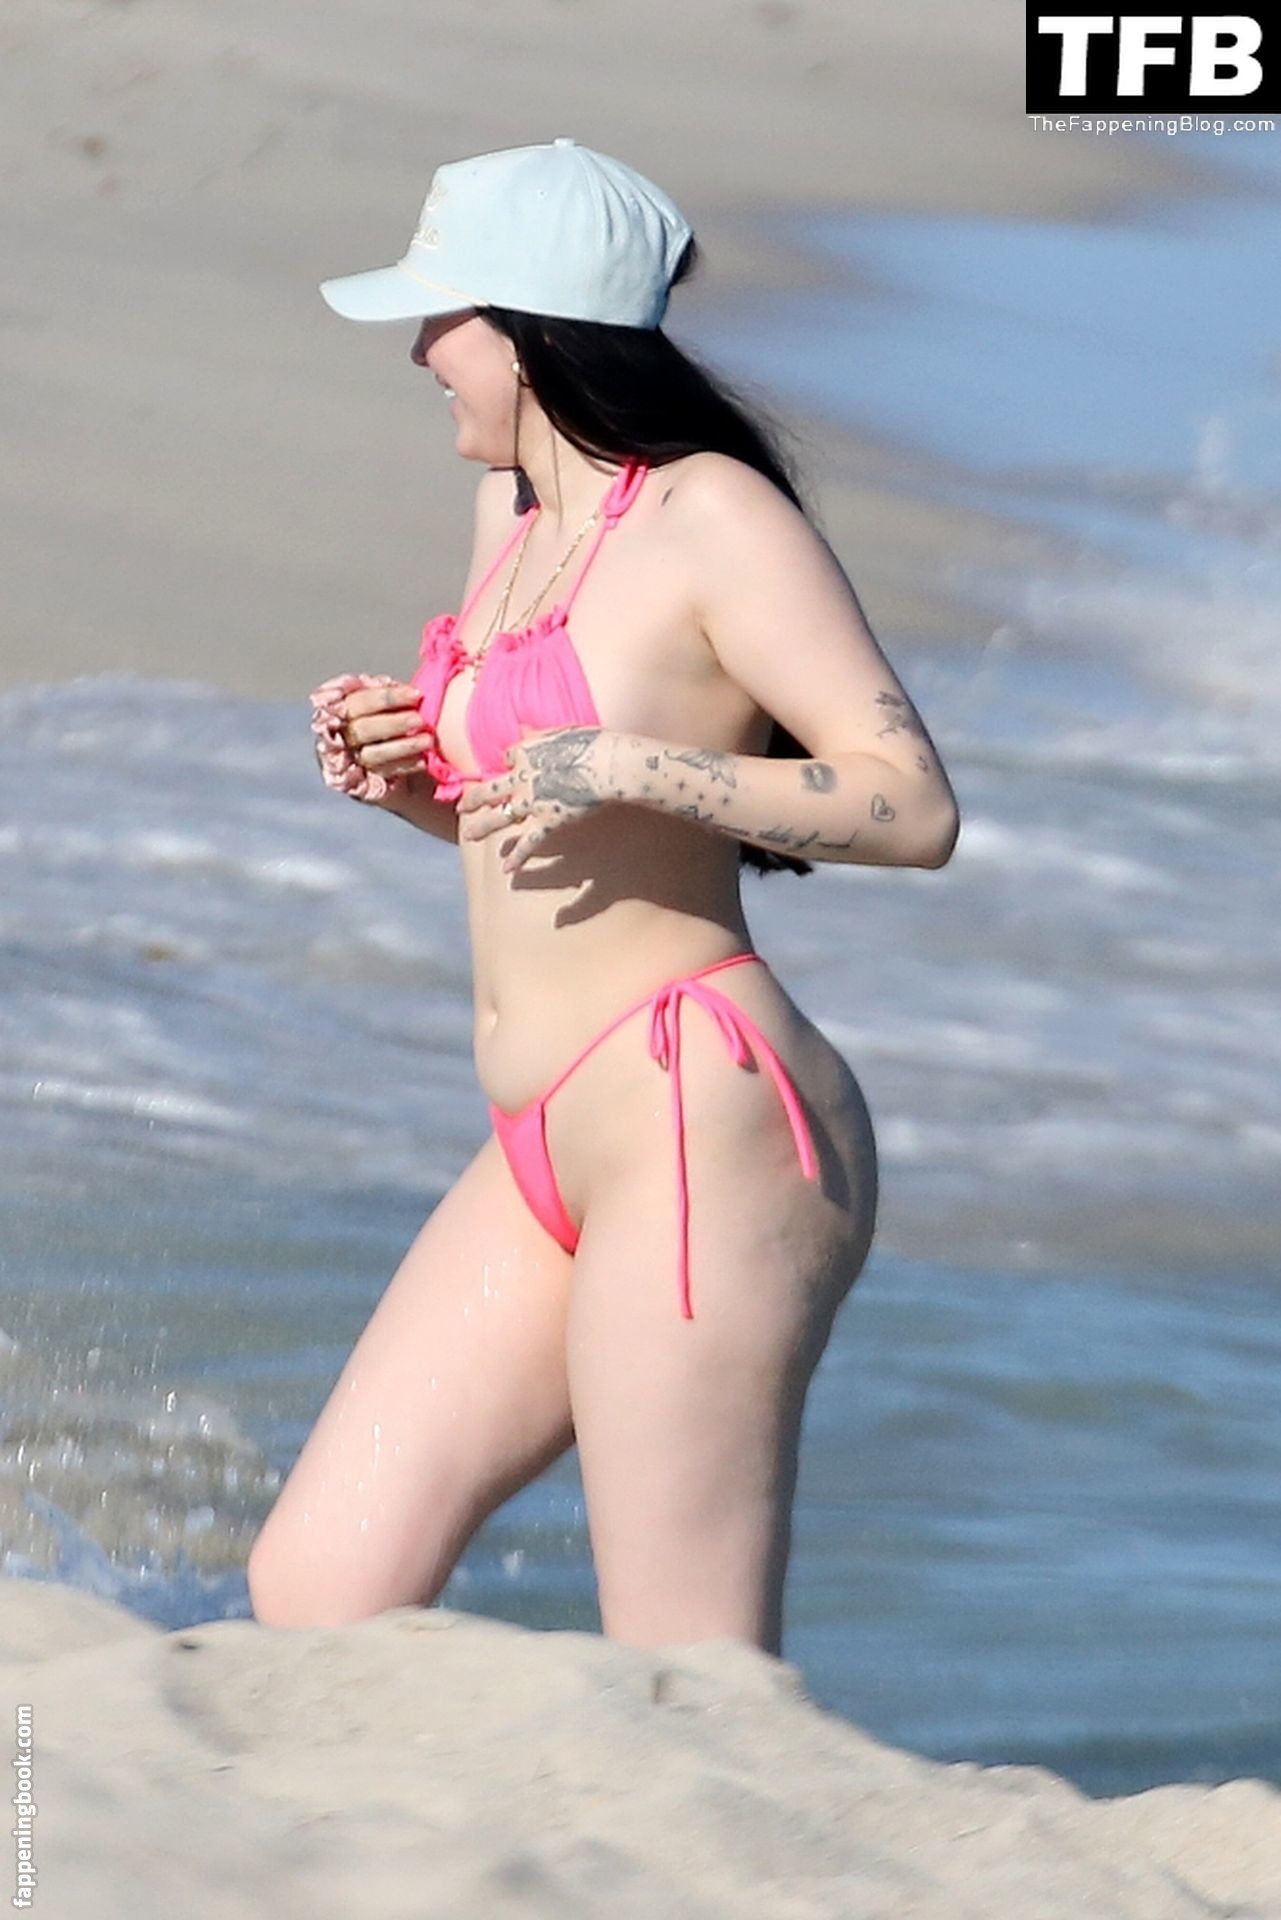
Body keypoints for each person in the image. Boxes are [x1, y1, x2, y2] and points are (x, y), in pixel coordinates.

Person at [249, 138, 960, 1656]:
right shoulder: (513, 518)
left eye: (439, 319)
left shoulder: (712, 517)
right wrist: (411, 783)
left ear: (525, 329)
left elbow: (910, 807)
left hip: (704, 1118)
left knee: (686, 1662)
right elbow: (539, 822)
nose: (419, 352)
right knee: (314, 1595)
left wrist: (634, 763)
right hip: (542, 1131)